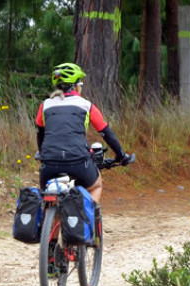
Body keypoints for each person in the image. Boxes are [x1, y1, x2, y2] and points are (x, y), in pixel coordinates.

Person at [35, 62, 131, 204]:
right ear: (76, 86)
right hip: (79, 162)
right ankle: (87, 219)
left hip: (48, 166)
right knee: (96, 185)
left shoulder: (45, 105)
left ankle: (48, 223)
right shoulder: (86, 105)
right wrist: (121, 155)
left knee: (47, 195)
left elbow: (40, 134)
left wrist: (43, 153)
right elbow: (106, 133)